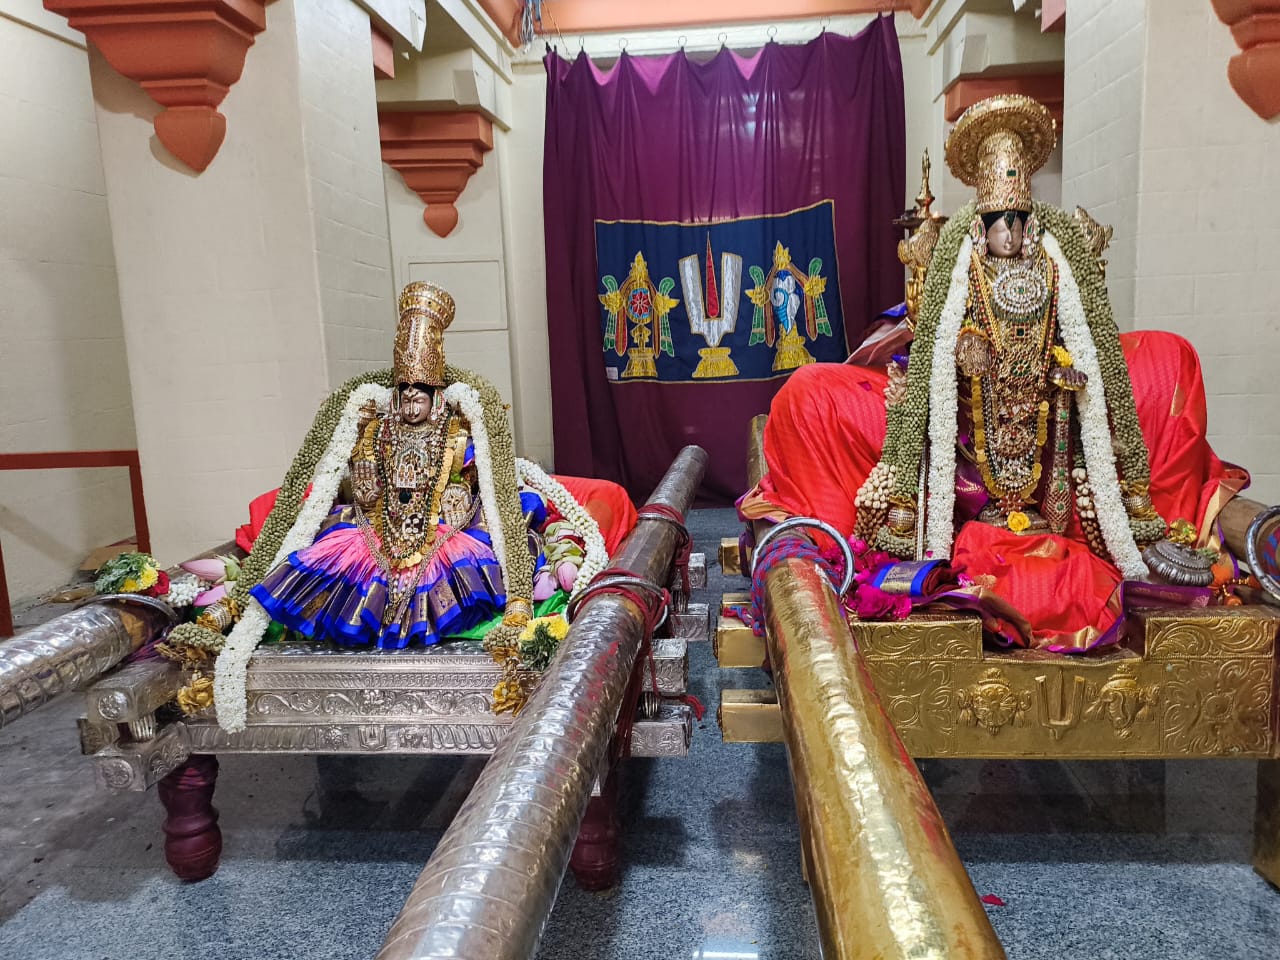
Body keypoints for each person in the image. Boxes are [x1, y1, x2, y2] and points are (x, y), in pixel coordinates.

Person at [741, 95, 1246, 650]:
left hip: (1054, 427)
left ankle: (1082, 534)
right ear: (979, 225)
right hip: (958, 434)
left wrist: (1065, 366)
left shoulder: (1057, 267)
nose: (1011, 233)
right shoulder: (960, 267)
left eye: (1020, 221)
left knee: (1168, 355)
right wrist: (959, 351)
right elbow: (925, 347)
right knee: (809, 392)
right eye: (999, 222)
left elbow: (1089, 338)